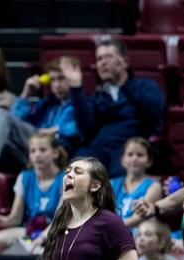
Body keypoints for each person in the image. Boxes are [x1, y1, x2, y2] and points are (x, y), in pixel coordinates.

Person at [0, 56, 80, 174]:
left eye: (61, 79)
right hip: (23, 147)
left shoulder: (80, 104)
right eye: (53, 80)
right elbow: (14, 119)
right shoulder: (47, 104)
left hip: (47, 152)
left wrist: (47, 131)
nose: (56, 85)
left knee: (1, 114)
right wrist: (26, 94)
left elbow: (71, 130)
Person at [65, 38, 165, 178]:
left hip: (129, 147)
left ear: (125, 62)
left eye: (108, 57)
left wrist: (124, 85)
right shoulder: (97, 96)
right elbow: (85, 130)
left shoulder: (145, 86)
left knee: (122, 169)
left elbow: (154, 114)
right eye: (99, 59)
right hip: (100, 148)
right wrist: (76, 88)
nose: (103, 62)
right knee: (77, 167)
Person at [0, 132, 67, 253]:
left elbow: (59, 221)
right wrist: (4, 221)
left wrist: (42, 237)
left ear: (55, 153)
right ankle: (35, 251)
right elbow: (16, 218)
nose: (37, 155)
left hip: (55, 234)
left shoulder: (65, 179)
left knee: (49, 247)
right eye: (33, 151)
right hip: (29, 235)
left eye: (43, 150)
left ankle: (39, 252)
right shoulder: (24, 177)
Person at [111, 137, 162, 226]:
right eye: (130, 154)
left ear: (149, 161)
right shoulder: (111, 184)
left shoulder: (154, 186)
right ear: (122, 160)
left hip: (139, 236)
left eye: (140, 155)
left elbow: (139, 218)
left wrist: (111, 229)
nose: (134, 158)